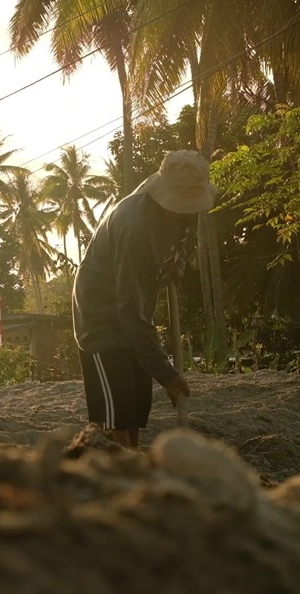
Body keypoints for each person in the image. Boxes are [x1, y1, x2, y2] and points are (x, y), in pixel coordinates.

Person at [71, 150, 216, 448]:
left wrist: (177, 261)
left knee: (136, 407)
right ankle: (117, 475)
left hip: (135, 311)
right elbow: (129, 311)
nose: (188, 213)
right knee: (117, 416)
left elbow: (178, 241)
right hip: (101, 319)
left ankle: (132, 463)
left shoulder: (179, 215)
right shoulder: (133, 227)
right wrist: (168, 374)